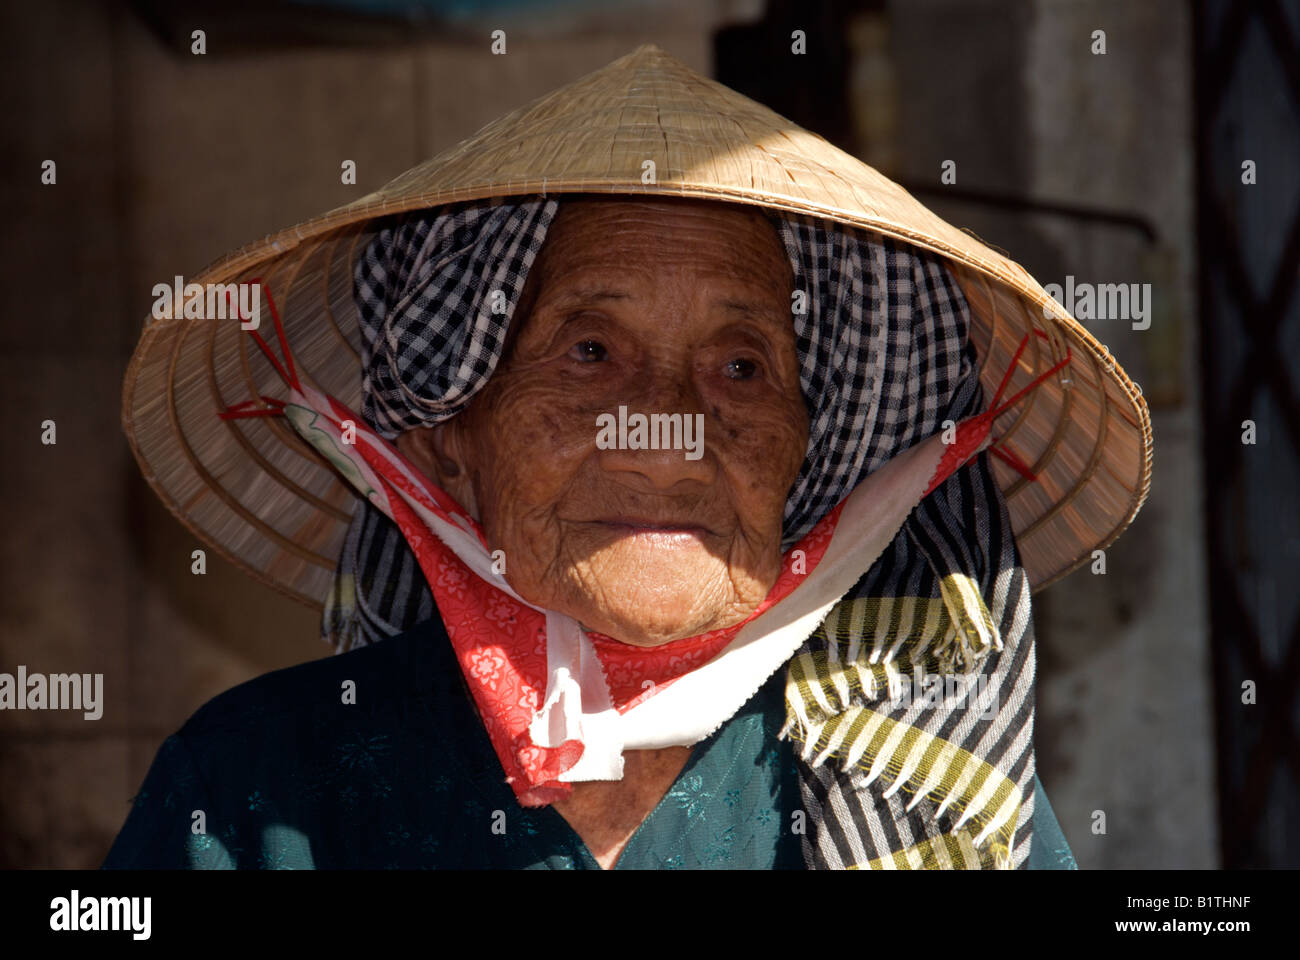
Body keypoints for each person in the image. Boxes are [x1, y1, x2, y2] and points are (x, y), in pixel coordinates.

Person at [105, 45, 1150, 870]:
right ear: (449, 441)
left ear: (810, 454)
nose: (664, 432)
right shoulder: (256, 786)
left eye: (740, 368)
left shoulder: (934, 797)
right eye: (590, 352)